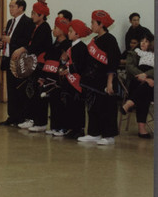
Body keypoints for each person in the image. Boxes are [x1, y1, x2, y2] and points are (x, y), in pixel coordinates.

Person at [78, 10, 121, 145]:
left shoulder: (110, 40)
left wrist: (110, 83)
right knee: (92, 107)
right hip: (92, 82)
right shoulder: (94, 40)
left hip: (105, 81)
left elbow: (113, 62)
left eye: (92, 22)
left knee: (107, 108)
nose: (91, 25)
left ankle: (109, 136)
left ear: (101, 24)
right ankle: (94, 133)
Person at [13, 0, 54, 131]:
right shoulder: (36, 27)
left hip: (41, 65)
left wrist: (23, 49)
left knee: (39, 93)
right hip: (34, 64)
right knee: (30, 92)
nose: (32, 16)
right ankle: (31, 119)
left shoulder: (44, 28)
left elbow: (36, 46)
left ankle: (41, 122)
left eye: (34, 14)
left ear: (42, 16)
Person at [0, 0, 35, 126]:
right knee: (11, 89)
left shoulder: (28, 22)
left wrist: (11, 40)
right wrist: (2, 44)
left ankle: (22, 117)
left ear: (21, 8)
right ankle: (12, 116)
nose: (10, 9)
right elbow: (8, 40)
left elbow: (27, 42)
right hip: (9, 58)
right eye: (9, 6)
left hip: (21, 61)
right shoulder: (10, 22)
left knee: (21, 89)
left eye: (13, 6)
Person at [38, 16, 72, 135]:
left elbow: (65, 62)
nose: (53, 30)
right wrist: (43, 77)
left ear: (62, 30)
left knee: (60, 103)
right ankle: (54, 126)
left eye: (56, 28)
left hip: (60, 78)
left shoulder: (67, 44)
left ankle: (62, 127)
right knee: (52, 102)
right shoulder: (54, 44)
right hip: (50, 76)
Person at [60, 19, 91, 139]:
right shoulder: (71, 46)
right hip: (69, 80)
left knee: (78, 106)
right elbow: (67, 61)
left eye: (71, 31)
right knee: (70, 104)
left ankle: (79, 128)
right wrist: (63, 61)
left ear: (77, 34)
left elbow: (81, 65)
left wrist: (69, 70)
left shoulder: (82, 47)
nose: (68, 33)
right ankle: (72, 127)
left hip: (77, 81)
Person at [120, 33, 154, 138]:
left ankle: (129, 104)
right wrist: (142, 77)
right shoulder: (133, 53)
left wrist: (146, 76)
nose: (143, 43)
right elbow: (130, 67)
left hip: (151, 81)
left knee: (145, 90)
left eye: (146, 41)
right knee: (145, 90)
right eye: (142, 41)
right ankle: (142, 129)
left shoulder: (153, 54)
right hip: (136, 80)